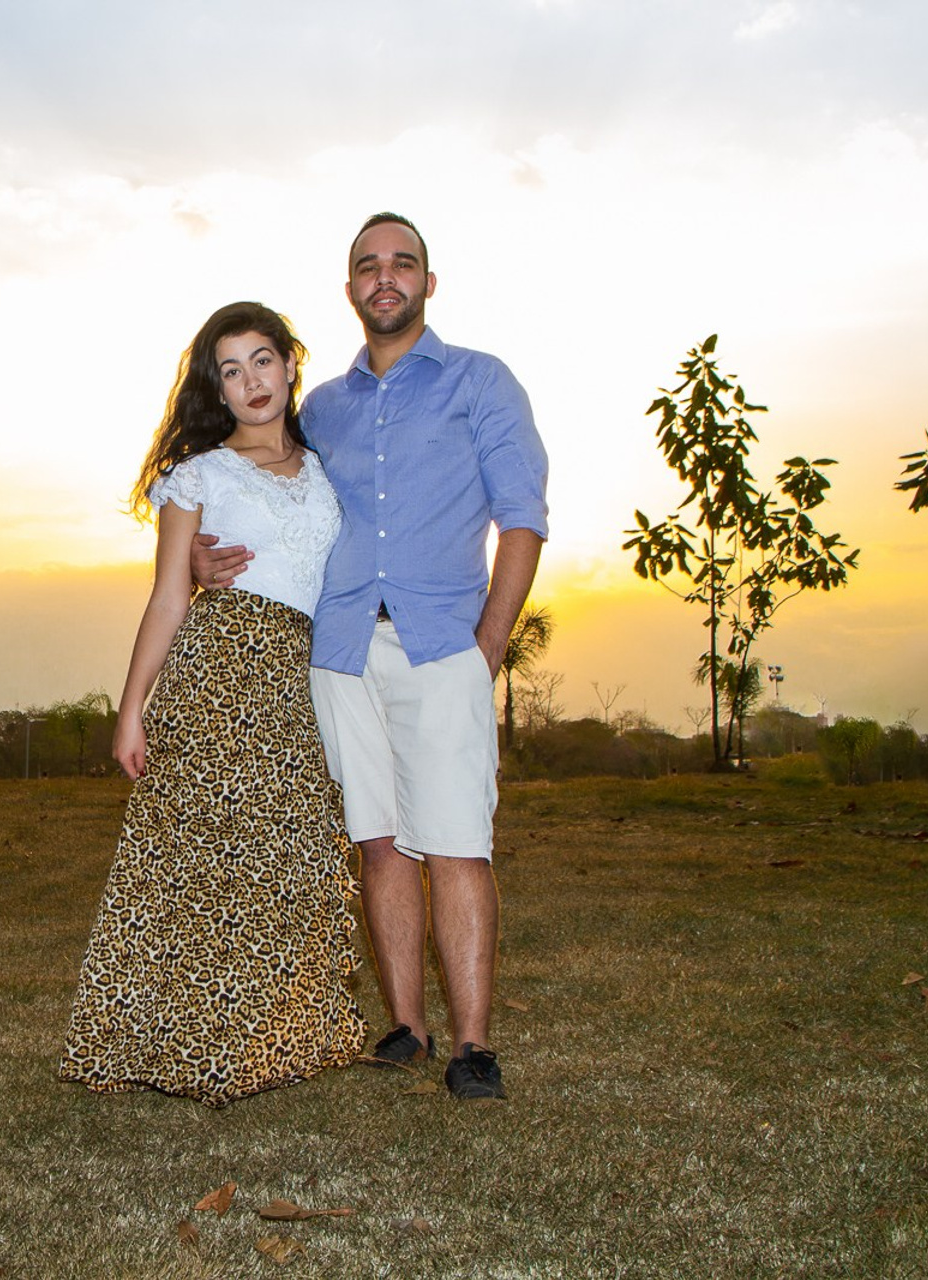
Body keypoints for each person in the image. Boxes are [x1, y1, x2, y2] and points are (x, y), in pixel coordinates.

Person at [193, 214, 548, 1100]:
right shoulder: (322, 409)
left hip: (442, 645)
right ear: (350, 287)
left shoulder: (481, 382)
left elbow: (523, 518)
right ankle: (407, 1028)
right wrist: (199, 552)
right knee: (381, 843)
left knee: (457, 842)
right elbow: (266, 494)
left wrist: (488, 646)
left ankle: (472, 1046)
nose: (385, 277)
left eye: (403, 263)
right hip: (341, 650)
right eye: (367, 266)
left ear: (429, 280)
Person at [57, 301, 368, 1108]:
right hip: (217, 673)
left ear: (290, 365)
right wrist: (131, 709)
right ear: (217, 389)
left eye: (262, 360)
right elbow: (168, 596)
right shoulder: (199, 475)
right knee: (196, 863)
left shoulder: (327, 465)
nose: (250, 381)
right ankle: (174, 1043)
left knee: (287, 858)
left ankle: (280, 1036)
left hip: (298, 677)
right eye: (230, 371)